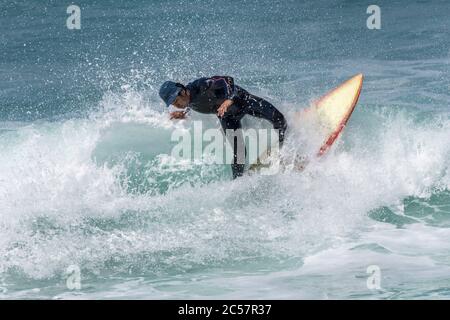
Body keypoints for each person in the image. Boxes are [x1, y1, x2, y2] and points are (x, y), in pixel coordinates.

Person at [159, 76, 287, 179]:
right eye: (173, 104)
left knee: (279, 120)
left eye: (176, 101)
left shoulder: (200, 85)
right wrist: (184, 112)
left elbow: (227, 80)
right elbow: (198, 102)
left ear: (182, 91)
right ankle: (237, 181)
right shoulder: (188, 101)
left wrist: (229, 99)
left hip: (244, 102)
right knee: (240, 153)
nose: (176, 105)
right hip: (227, 117)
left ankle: (284, 148)